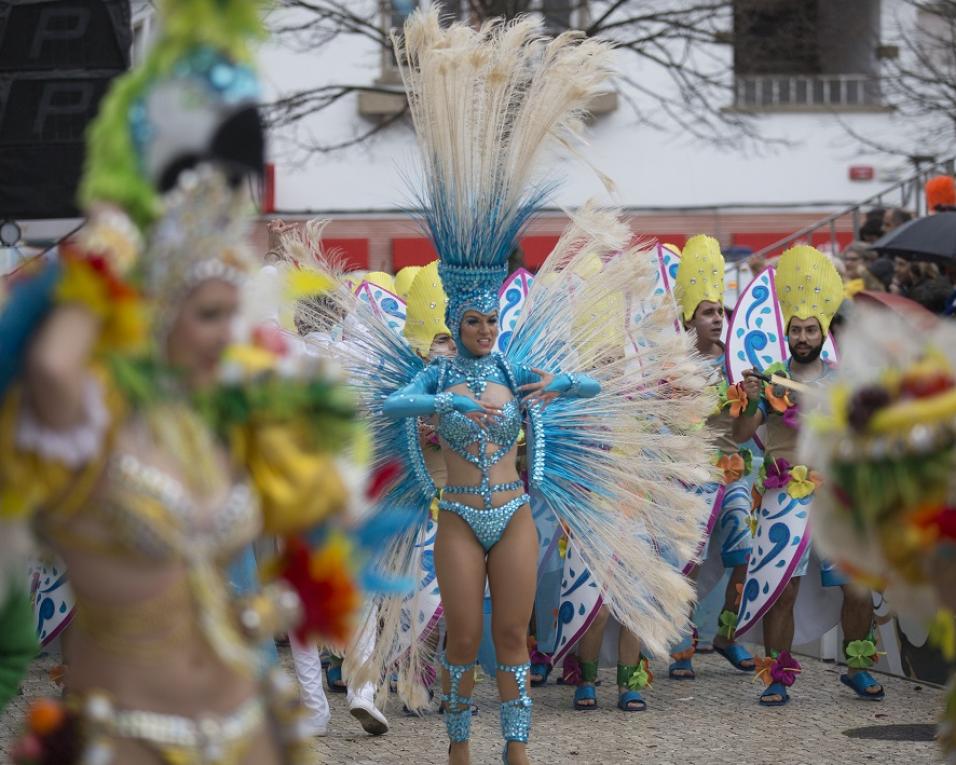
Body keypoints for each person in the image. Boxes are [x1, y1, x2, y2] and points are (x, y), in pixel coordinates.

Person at [297, 11, 717, 765]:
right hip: (457, 512)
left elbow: (586, 385)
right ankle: (460, 746)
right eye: (476, 321)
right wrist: (446, 401)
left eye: (493, 319)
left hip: (512, 508)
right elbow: (393, 404)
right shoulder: (440, 370)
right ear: (457, 319)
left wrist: (557, 380)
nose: (487, 329)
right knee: (462, 637)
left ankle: (516, 749)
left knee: (513, 636)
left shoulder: (513, 363)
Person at [0, 3, 376, 762]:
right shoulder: (97, 421)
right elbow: (48, 361)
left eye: (233, 312)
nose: (227, 332)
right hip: (130, 738)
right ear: (160, 313)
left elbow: (320, 538)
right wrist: (118, 223)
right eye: (209, 314)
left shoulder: (240, 421)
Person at [732, 246, 884, 707]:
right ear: (787, 335)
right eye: (795, 330)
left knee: (857, 584)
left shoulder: (842, 380)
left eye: (810, 329)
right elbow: (741, 436)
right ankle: (777, 677)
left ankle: (858, 667)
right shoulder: (771, 379)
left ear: (822, 332)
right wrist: (749, 398)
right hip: (783, 496)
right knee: (783, 588)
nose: (802, 336)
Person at [666, 235, 757, 681]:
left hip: (733, 470)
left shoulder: (739, 364)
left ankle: (727, 633)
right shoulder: (673, 369)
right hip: (691, 474)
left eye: (720, 311)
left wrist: (755, 403)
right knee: (690, 559)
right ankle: (680, 638)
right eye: (708, 312)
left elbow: (741, 434)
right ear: (689, 319)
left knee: (745, 552)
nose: (717, 319)